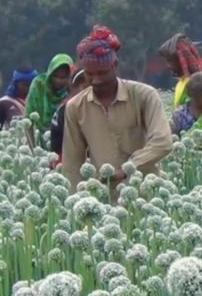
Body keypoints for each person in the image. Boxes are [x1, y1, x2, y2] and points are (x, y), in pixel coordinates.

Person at [62, 26, 173, 191]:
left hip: (146, 195)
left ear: (115, 65)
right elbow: (72, 164)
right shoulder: (75, 107)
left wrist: (127, 169)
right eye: (90, 74)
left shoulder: (144, 96)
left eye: (102, 73)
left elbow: (162, 142)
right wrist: (74, 201)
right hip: (105, 198)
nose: (96, 80)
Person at [25, 54, 74, 140]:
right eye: (55, 76)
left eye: (63, 78)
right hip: (40, 141)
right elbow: (28, 118)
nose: (58, 81)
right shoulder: (39, 85)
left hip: (65, 141)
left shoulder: (73, 88)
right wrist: (32, 148)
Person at [49, 69, 89, 167]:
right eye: (86, 88)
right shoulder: (69, 109)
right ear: (74, 87)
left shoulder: (67, 106)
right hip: (66, 163)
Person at [159, 33, 202, 109]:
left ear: (180, 60)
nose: (168, 66)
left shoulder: (197, 84)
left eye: (169, 61)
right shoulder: (183, 82)